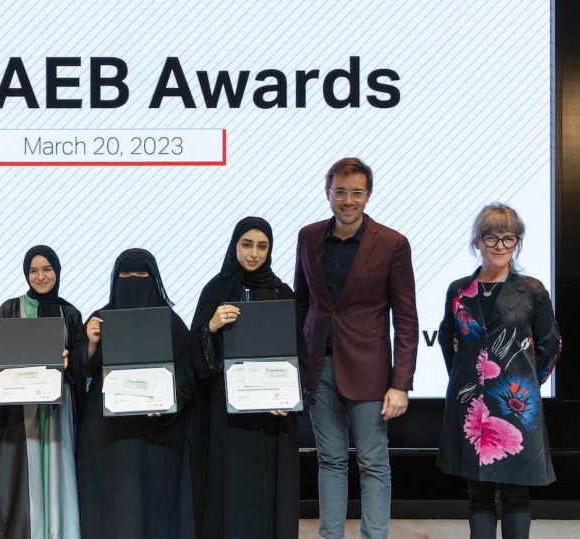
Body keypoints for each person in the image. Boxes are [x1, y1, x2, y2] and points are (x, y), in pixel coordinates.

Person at [294, 158, 418, 539]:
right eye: (341, 192)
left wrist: (401, 383)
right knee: (329, 460)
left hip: (370, 371)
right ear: (327, 193)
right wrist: (296, 366)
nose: (348, 200)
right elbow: (301, 305)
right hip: (319, 368)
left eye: (356, 192)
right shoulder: (308, 236)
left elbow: (406, 319)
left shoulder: (393, 243)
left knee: (373, 463)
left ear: (368, 195)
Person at [437, 204, 561, 539]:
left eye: (509, 238)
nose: (500, 245)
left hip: (516, 406)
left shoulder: (532, 290)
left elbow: (551, 345)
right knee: (478, 494)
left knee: (516, 494)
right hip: (470, 406)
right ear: (477, 241)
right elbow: (448, 340)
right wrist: (466, 379)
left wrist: (526, 382)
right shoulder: (458, 291)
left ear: (517, 242)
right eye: (491, 237)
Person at [188, 217, 306, 539]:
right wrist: (212, 326)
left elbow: (298, 352)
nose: (254, 253)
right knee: (231, 491)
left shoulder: (281, 292)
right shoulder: (216, 290)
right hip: (228, 418)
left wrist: (290, 398)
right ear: (234, 246)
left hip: (272, 419)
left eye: (262, 246)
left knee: (268, 491)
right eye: (247, 244)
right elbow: (195, 358)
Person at [76, 249, 194, 539]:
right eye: (125, 274)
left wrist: (169, 404)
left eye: (141, 274)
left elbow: (187, 372)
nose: (133, 280)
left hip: (158, 431)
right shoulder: (101, 319)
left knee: (156, 503)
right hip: (110, 434)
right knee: (117, 505)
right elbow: (82, 370)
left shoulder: (170, 321)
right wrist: (91, 343)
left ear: (153, 278)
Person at [0, 245, 83, 539]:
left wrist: (71, 361)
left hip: (58, 411)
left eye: (47, 269)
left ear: (57, 271)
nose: (40, 277)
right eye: (33, 271)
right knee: (22, 479)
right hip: (20, 412)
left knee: (58, 472)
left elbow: (81, 367)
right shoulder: (9, 309)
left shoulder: (70, 313)